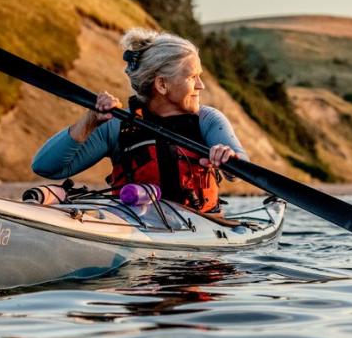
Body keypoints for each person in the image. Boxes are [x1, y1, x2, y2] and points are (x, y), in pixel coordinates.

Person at [32, 28, 247, 214]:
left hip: (203, 229)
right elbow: (46, 168)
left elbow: (239, 170)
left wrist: (229, 160)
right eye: (192, 77)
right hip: (135, 225)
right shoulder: (118, 126)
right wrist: (88, 122)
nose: (201, 86)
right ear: (162, 84)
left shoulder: (208, 120)